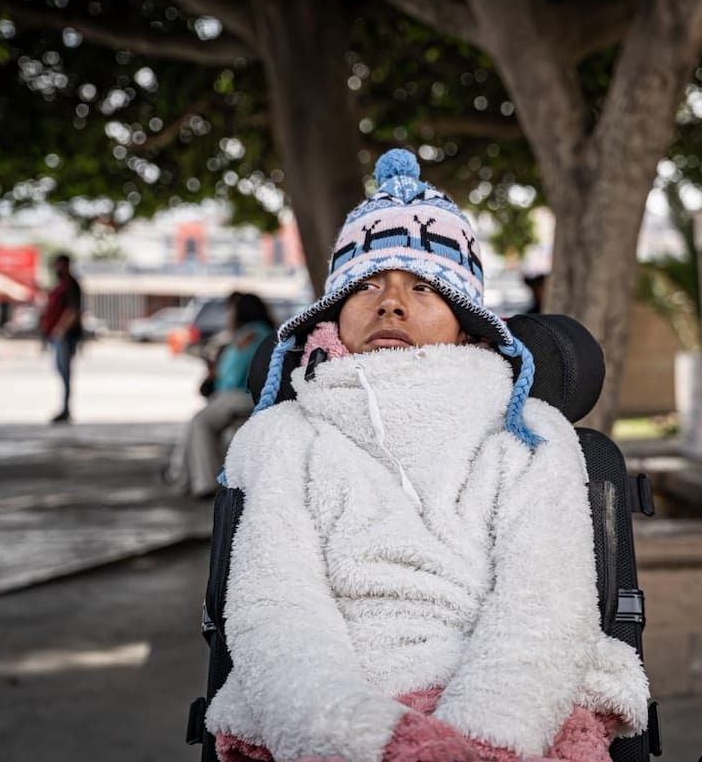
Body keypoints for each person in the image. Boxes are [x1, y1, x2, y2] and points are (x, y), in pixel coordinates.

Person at [205, 150, 649, 762]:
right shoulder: (285, 435)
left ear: (466, 323)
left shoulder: (529, 433)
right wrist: (357, 735)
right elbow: (274, 604)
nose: (390, 303)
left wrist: (480, 740)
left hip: (512, 707)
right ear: (334, 312)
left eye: (421, 287)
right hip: (335, 710)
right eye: (366, 286)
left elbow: (546, 601)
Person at [164, 292, 275, 499]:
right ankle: (182, 475)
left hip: (240, 395)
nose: (228, 315)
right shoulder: (263, 333)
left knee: (200, 423)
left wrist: (217, 376)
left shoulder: (249, 335)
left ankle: (203, 482)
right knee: (198, 422)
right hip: (243, 396)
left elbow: (234, 374)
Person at [39, 253, 83, 424]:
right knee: (61, 372)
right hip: (57, 336)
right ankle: (64, 408)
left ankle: (66, 410)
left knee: (65, 373)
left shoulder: (71, 285)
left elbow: (72, 311)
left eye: (58, 265)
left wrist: (60, 330)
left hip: (65, 336)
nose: (55, 269)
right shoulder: (61, 285)